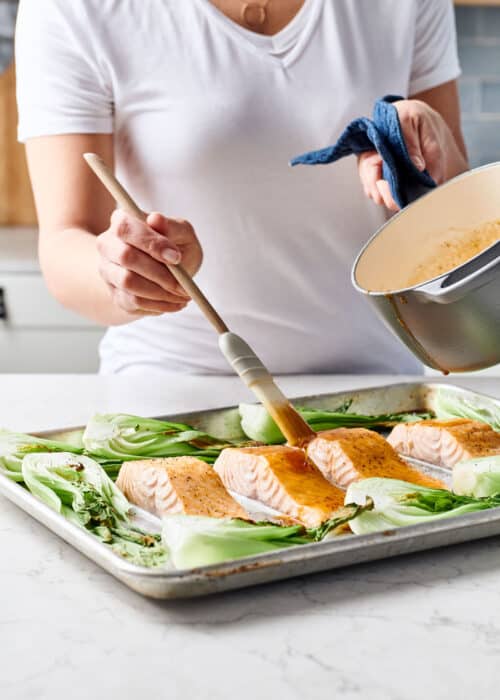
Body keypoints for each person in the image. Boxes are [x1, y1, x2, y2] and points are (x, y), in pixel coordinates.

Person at [15, 0, 468, 376]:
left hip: (380, 387)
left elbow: (457, 220)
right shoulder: (76, 9)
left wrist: (425, 158)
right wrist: (121, 276)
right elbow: (65, 240)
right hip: (175, 390)